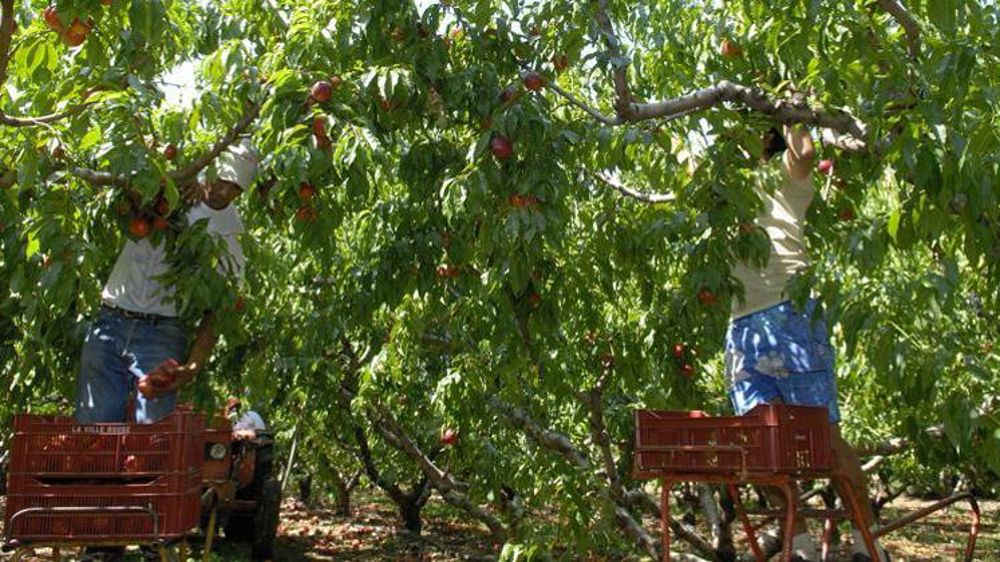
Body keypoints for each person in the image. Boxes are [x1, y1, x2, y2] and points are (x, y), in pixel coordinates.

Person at [724, 125, 889, 562]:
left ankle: (867, 541)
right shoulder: (726, 187)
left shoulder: (785, 174)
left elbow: (806, 149)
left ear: (766, 134)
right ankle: (799, 545)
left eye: (746, 122)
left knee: (826, 442)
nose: (732, 129)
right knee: (757, 447)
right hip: (743, 327)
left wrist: (786, 101)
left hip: (790, 314)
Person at [74, 136, 258, 426]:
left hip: (163, 331)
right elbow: (129, 185)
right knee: (93, 429)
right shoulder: (171, 188)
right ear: (209, 170)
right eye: (222, 180)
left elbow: (220, 308)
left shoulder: (230, 234)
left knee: (152, 438)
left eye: (235, 187)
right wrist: (168, 178)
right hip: (110, 320)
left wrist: (194, 365)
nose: (224, 191)